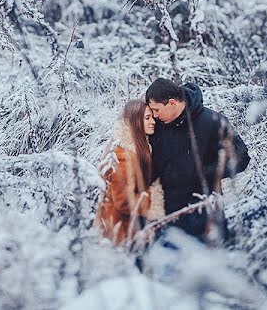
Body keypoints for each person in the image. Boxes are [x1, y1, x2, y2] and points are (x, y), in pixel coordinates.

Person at [146, 78, 250, 240]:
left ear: (172, 103)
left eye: (156, 110)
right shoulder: (158, 127)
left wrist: (205, 174)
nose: (154, 115)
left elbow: (242, 158)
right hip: (167, 219)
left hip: (206, 216)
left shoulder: (213, 122)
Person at [95, 99, 165, 245]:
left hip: (128, 229)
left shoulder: (137, 148)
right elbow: (123, 201)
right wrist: (154, 199)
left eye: (152, 117)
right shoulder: (123, 154)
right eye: (147, 118)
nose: (153, 122)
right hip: (118, 233)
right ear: (134, 121)